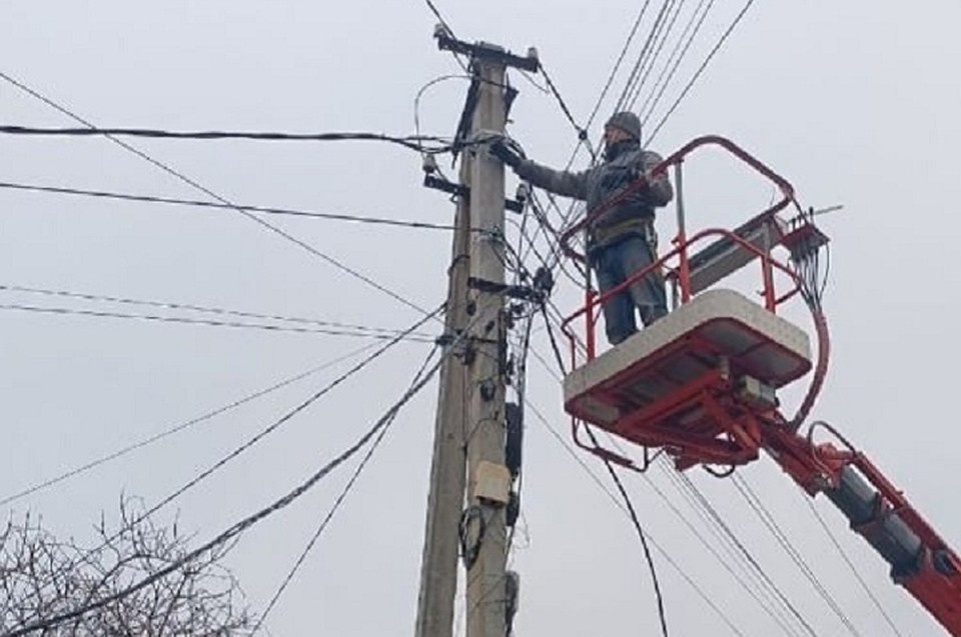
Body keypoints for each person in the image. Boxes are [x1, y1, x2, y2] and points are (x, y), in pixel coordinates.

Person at [491, 111, 673, 345]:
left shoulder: (644, 159)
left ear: (625, 133)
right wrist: (518, 164)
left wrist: (645, 177)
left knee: (651, 307)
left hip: (631, 238)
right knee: (617, 328)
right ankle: (633, 362)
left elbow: (663, 194)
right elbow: (558, 180)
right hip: (602, 251)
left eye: (610, 131)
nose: (606, 136)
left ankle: (663, 346)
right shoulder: (595, 175)